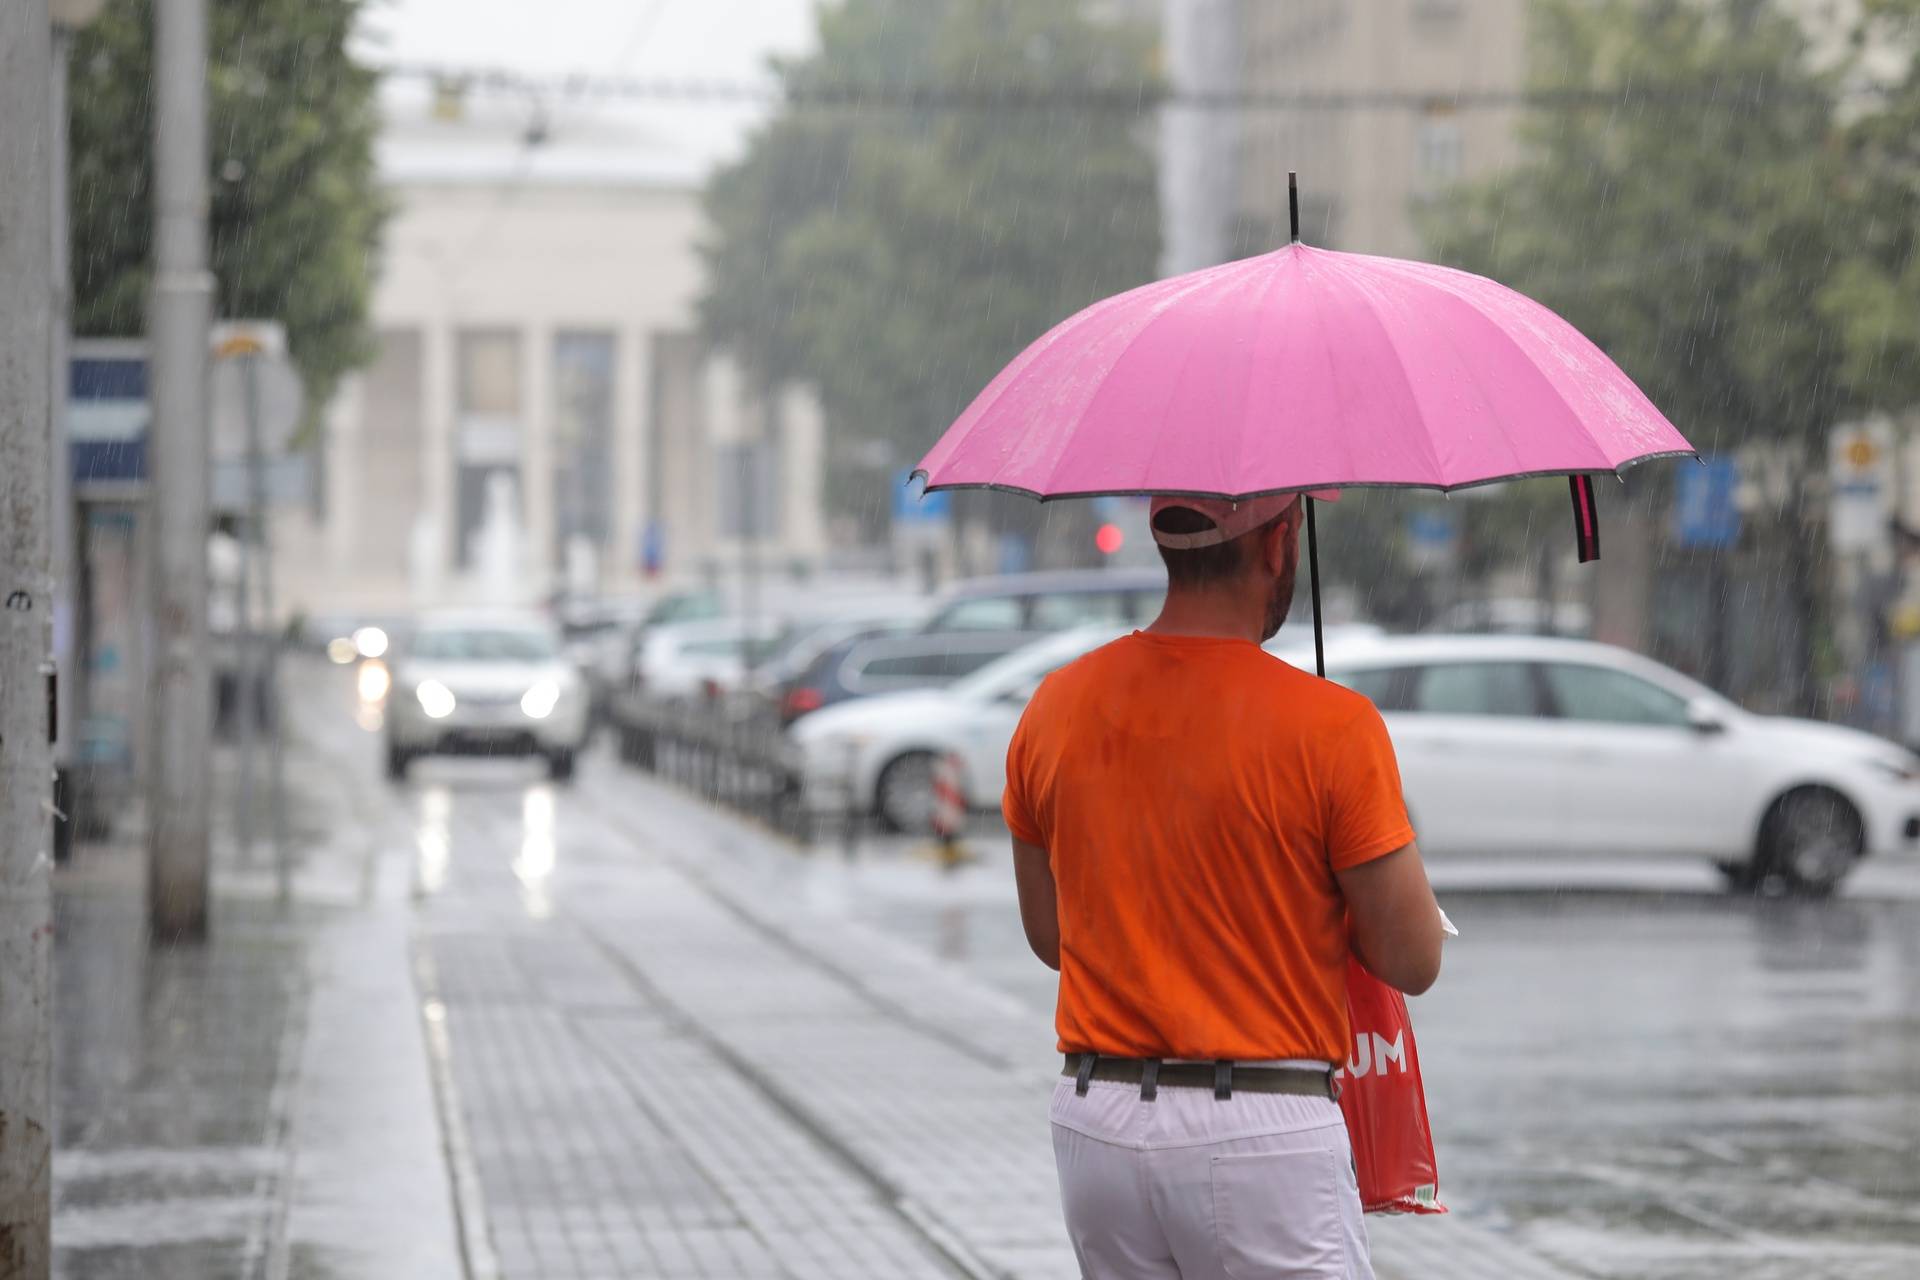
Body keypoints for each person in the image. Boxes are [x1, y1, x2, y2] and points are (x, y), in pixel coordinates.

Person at [1003, 492, 1444, 1280]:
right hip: (1261, 1130)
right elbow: (1412, 958)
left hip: (1097, 1121)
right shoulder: (1333, 728)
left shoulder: (1055, 705)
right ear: (1278, 546)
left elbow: (1052, 939)